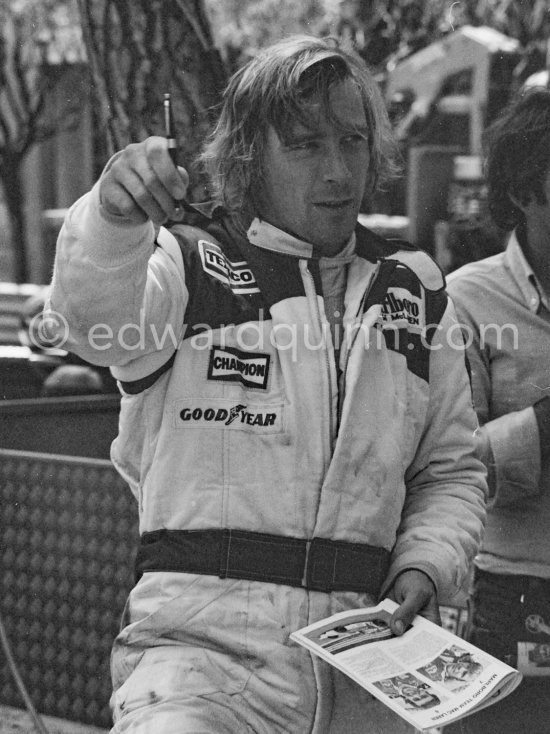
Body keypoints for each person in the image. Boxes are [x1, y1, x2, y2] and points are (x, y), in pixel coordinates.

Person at [46, 36, 485, 734]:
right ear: (249, 155)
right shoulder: (189, 262)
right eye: (306, 144)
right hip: (197, 671)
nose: (338, 170)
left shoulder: (417, 286)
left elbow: (451, 469)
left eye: (353, 140)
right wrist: (111, 215)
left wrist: (427, 564)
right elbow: (87, 325)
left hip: (367, 672)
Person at [446, 87, 550, 734]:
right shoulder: (467, 301)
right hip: (518, 590)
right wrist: (542, 430)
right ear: (523, 192)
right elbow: (448, 471)